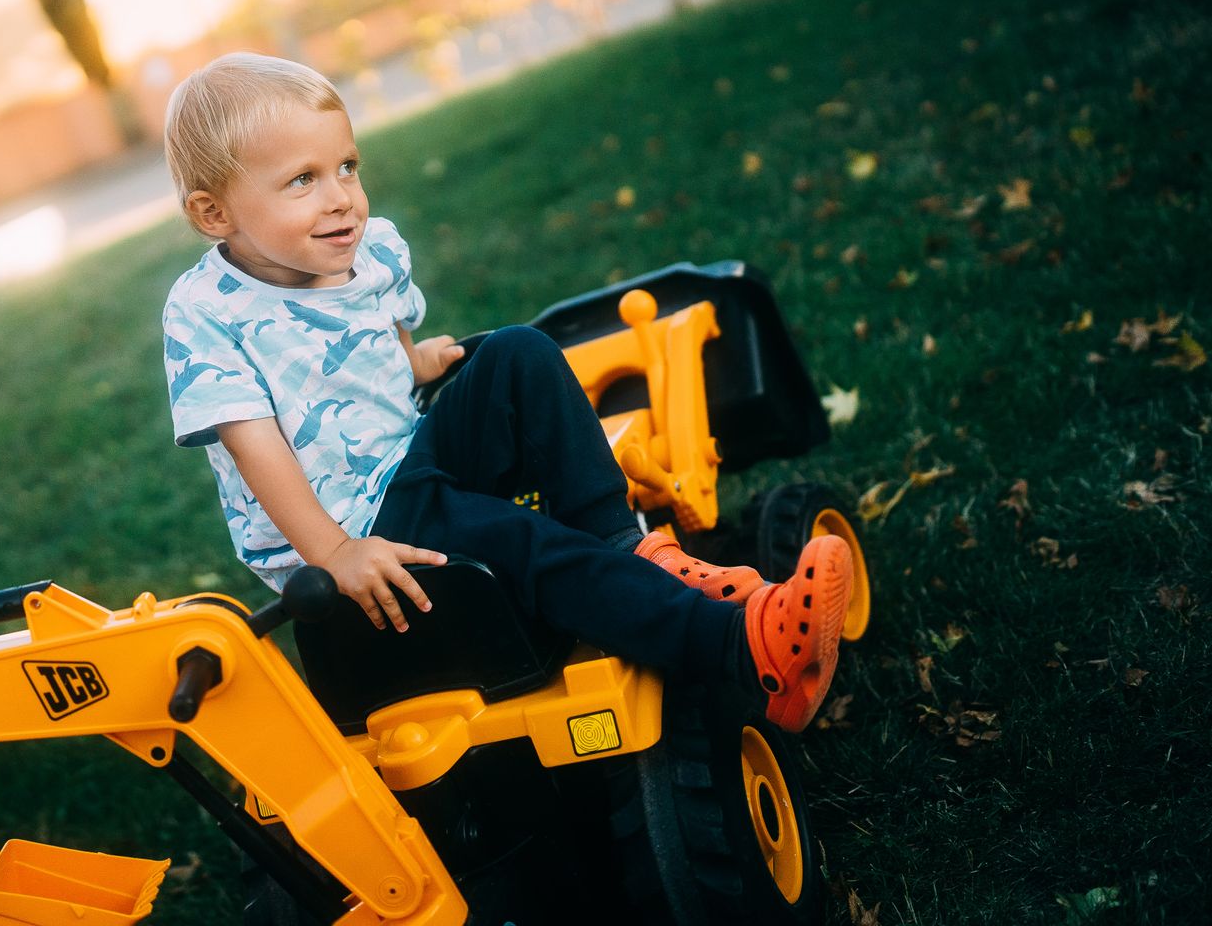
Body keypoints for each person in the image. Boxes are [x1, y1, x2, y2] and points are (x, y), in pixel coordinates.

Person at [159, 52, 850, 731]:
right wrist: (336, 553)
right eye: (303, 180)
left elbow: (375, 323)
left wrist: (410, 360)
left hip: (407, 450)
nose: (341, 196)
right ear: (215, 213)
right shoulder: (208, 314)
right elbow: (257, 451)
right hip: (354, 520)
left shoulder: (364, 248)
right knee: (521, 542)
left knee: (519, 349)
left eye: (347, 167)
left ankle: (624, 543)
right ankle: (743, 651)